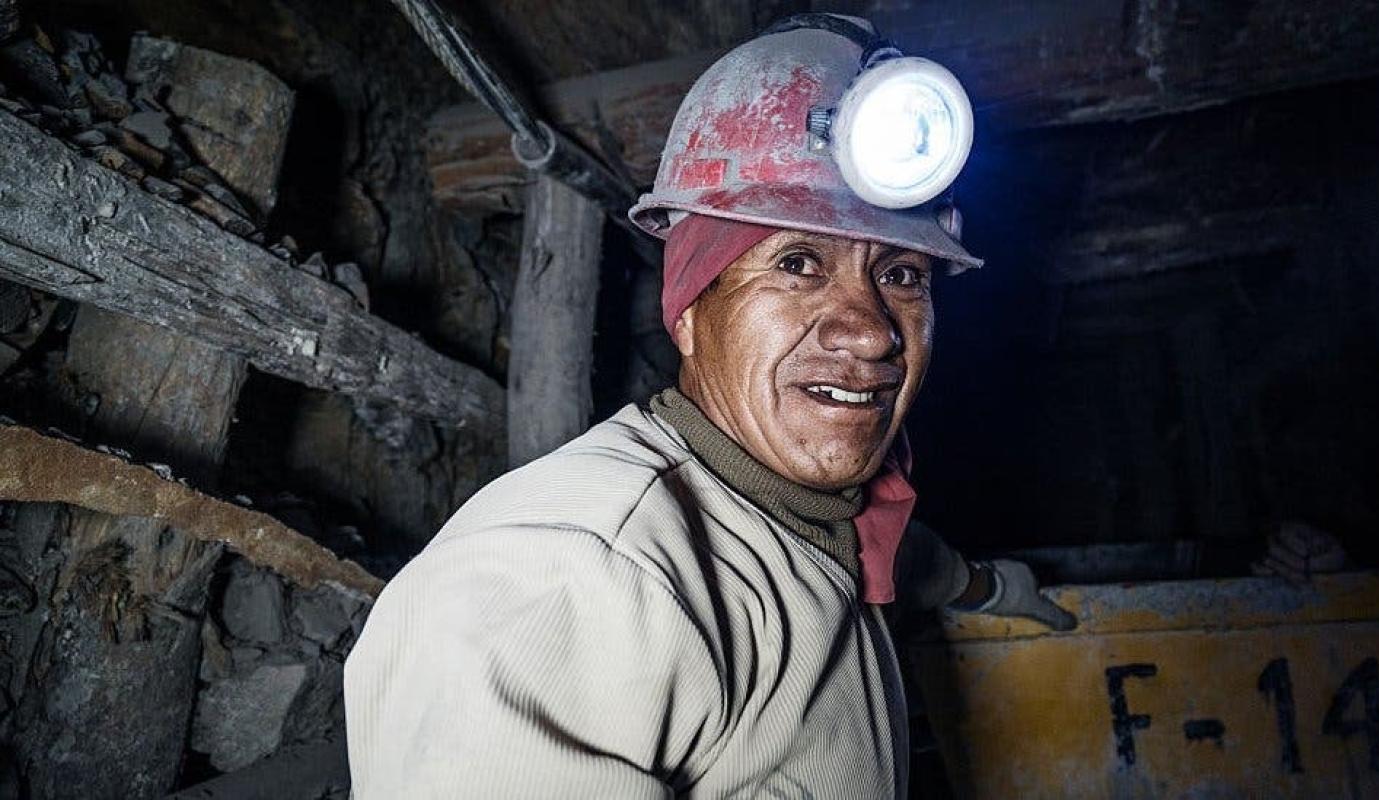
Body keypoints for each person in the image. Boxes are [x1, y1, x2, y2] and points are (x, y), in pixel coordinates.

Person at [345, 15, 1072, 797]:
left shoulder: (817, 514)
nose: (870, 332)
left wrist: (997, 589)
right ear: (690, 310)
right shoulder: (575, 576)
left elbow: (906, 556)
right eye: (798, 263)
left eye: (900, 275)